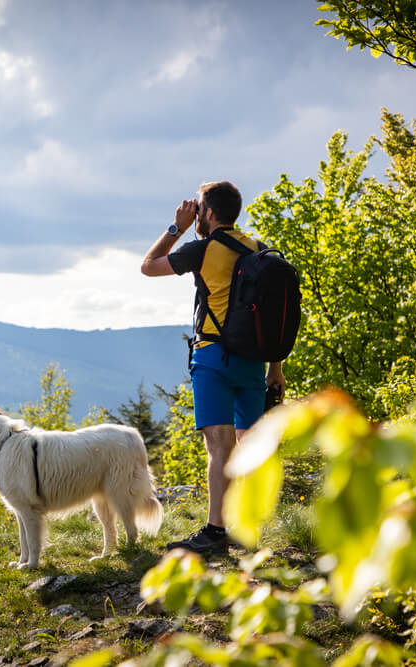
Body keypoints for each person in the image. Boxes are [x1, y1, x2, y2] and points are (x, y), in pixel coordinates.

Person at [141, 180, 286, 555]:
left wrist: (176, 227)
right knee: (247, 445)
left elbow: (148, 267)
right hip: (254, 362)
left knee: (218, 448)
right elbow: (269, 316)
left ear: (206, 212)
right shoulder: (258, 249)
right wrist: (276, 369)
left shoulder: (203, 249)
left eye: (199, 208)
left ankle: (215, 532)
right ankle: (245, 527)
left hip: (212, 358)